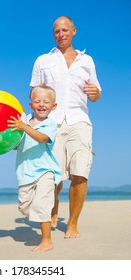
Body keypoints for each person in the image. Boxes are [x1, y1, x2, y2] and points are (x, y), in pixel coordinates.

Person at [30, 16, 102, 238]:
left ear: (73, 31)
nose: (60, 34)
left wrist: (96, 94)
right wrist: (33, 123)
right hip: (52, 123)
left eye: (64, 30)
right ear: (53, 34)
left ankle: (72, 223)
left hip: (80, 120)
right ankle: (53, 209)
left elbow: (96, 93)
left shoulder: (86, 60)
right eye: (56, 31)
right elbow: (33, 94)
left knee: (80, 174)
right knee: (54, 176)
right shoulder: (43, 60)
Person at [8, 86, 61, 252]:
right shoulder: (23, 121)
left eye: (46, 101)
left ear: (54, 106)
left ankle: (47, 241)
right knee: (24, 207)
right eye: (37, 101)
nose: (42, 104)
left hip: (46, 170)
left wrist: (23, 127)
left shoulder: (50, 125)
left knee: (41, 206)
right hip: (25, 173)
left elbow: (42, 138)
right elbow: (17, 146)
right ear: (31, 105)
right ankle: (44, 213)